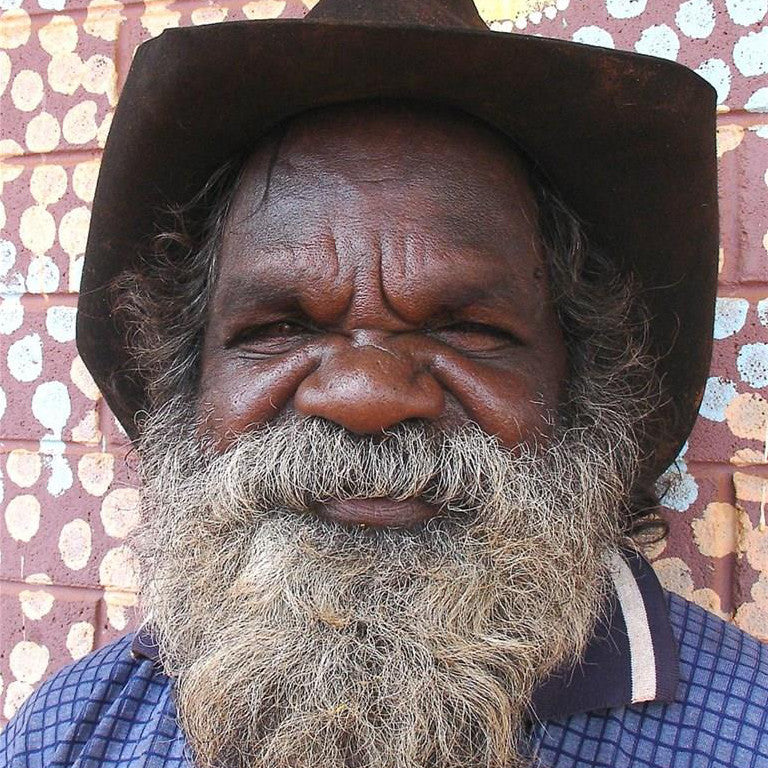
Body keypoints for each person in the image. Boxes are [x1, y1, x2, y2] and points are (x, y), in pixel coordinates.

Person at [2, 0, 767, 766]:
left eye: (466, 330)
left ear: (580, 390)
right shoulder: (71, 734)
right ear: (189, 387)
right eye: (280, 330)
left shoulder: (745, 736)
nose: (365, 396)